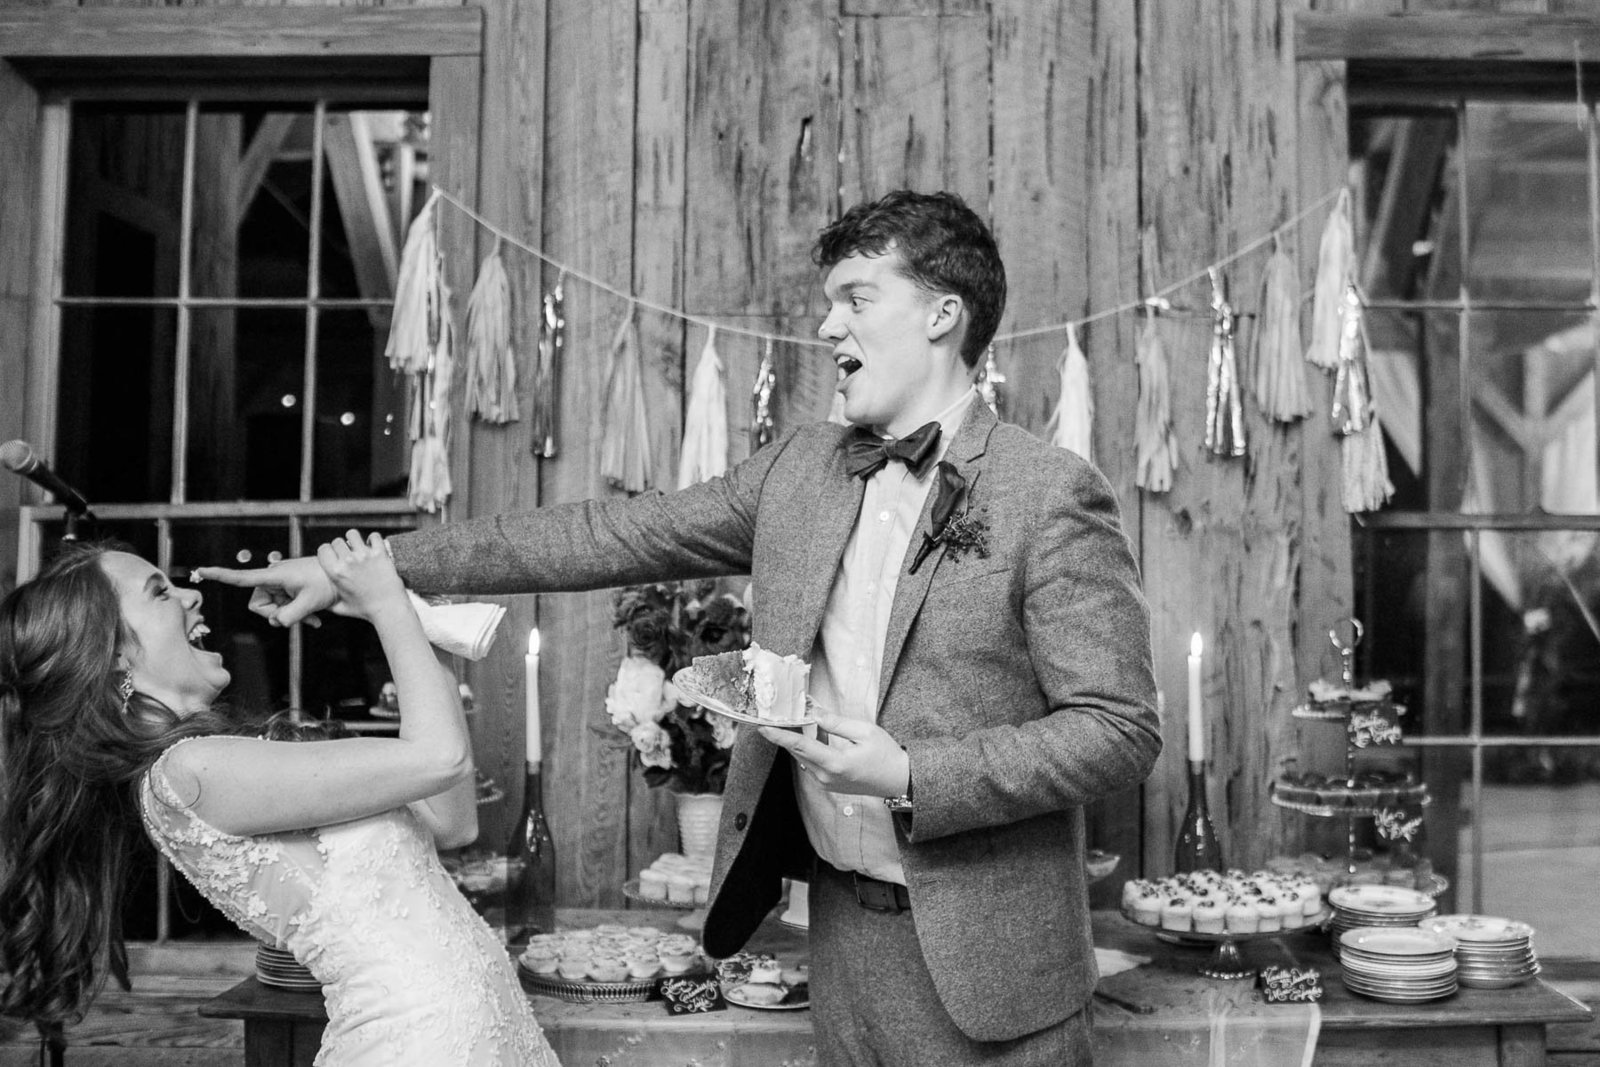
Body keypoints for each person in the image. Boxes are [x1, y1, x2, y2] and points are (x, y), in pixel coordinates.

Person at [203, 190, 1162, 1066]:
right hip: (841, 941)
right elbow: (599, 535)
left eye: (858, 299)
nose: (829, 325)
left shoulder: (1047, 494)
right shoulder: (799, 471)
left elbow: (1118, 728)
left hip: (998, 970)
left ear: (943, 315)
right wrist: (364, 571)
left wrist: (913, 776)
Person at [0, 535, 559, 1066]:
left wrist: (394, 616)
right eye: (160, 593)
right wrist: (385, 600)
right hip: (416, 1042)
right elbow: (440, 758)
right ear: (116, 659)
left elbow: (453, 818)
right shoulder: (187, 772)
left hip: (476, 1024)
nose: (190, 595)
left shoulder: (222, 760)